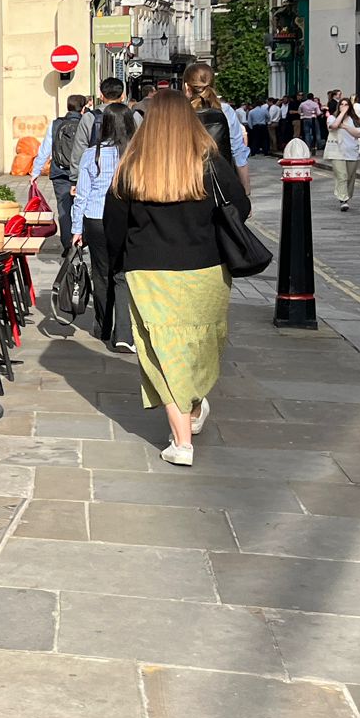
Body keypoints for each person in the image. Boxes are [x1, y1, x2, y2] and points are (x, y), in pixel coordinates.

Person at [102, 90, 248, 468]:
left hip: (149, 271)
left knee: (162, 349)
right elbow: (241, 207)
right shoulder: (209, 163)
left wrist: (117, 265)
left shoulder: (131, 166)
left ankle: (186, 428)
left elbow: (114, 225)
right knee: (199, 343)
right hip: (206, 268)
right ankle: (185, 433)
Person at [72, 104, 136, 352]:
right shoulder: (136, 154)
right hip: (126, 219)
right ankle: (123, 333)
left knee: (100, 272)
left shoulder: (92, 153)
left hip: (95, 218)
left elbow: (82, 195)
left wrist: (76, 229)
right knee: (122, 275)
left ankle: (102, 326)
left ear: (105, 124)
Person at [38, 95, 91, 256]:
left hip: (60, 173)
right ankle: (81, 240)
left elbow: (45, 149)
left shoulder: (56, 124)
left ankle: (67, 244)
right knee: (83, 206)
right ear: (83, 108)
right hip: (82, 174)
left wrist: (35, 171)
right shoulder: (87, 123)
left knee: (63, 209)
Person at [325, 93, 360, 212]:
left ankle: (346, 196)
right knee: (342, 176)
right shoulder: (332, 118)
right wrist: (341, 114)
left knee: (350, 177)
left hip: (351, 151)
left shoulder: (355, 119)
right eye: (341, 104)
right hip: (337, 151)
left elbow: (358, 133)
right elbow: (334, 126)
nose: (344, 106)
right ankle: (343, 199)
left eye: (346, 104)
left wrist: (346, 127)